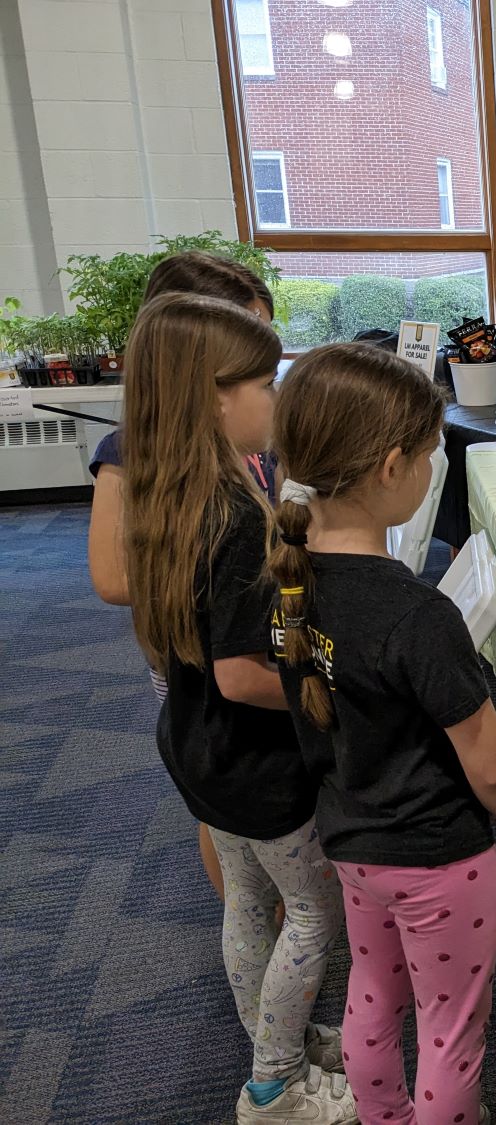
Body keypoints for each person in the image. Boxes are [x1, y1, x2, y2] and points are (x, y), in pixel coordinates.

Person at [267, 342, 496, 1125]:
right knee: (450, 1028)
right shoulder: (417, 615)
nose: (434, 463)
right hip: (441, 858)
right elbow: (490, 767)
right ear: (390, 467)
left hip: (352, 839)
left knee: (372, 997)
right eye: (431, 451)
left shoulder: (289, 586)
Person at [121, 294, 352, 1123]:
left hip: (197, 748)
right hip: (253, 759)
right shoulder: (226, 515)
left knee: (249, 902)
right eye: (266, 381)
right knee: (317, 913)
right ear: (216, 396)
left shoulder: (171, 492)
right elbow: (243, 673)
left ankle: (272, 1040)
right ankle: (274, 1083)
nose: (276, 399)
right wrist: (333, 671)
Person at [88, 251, 280, 901]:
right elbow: (113, 577)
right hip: (198, 648)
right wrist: (223, 566)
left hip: (249, 627)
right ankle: (250, 909)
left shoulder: (243, 443)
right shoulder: (129, 452)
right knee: (221, 791)